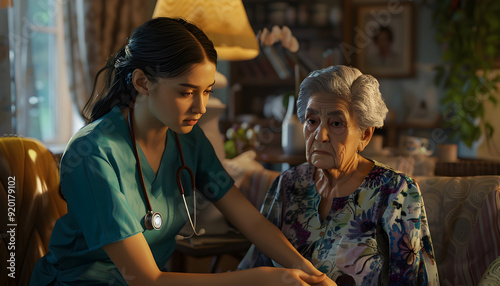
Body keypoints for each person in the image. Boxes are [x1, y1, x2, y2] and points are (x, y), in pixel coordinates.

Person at [29, 17, 335, 286]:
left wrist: (304, 269)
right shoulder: (94, 153)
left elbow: (250, 221)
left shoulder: (189, 141)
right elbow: (146, 280)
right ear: (142, 83)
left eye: (207, 91)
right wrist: (262, 280)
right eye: (186, 92)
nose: (200, 107)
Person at [239, 65, 440, 285]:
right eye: (312, 121)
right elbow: (255, 267)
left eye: (336, 124)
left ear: (365, 134)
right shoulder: (288, 184)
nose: (320, 136)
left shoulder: (395, 191)